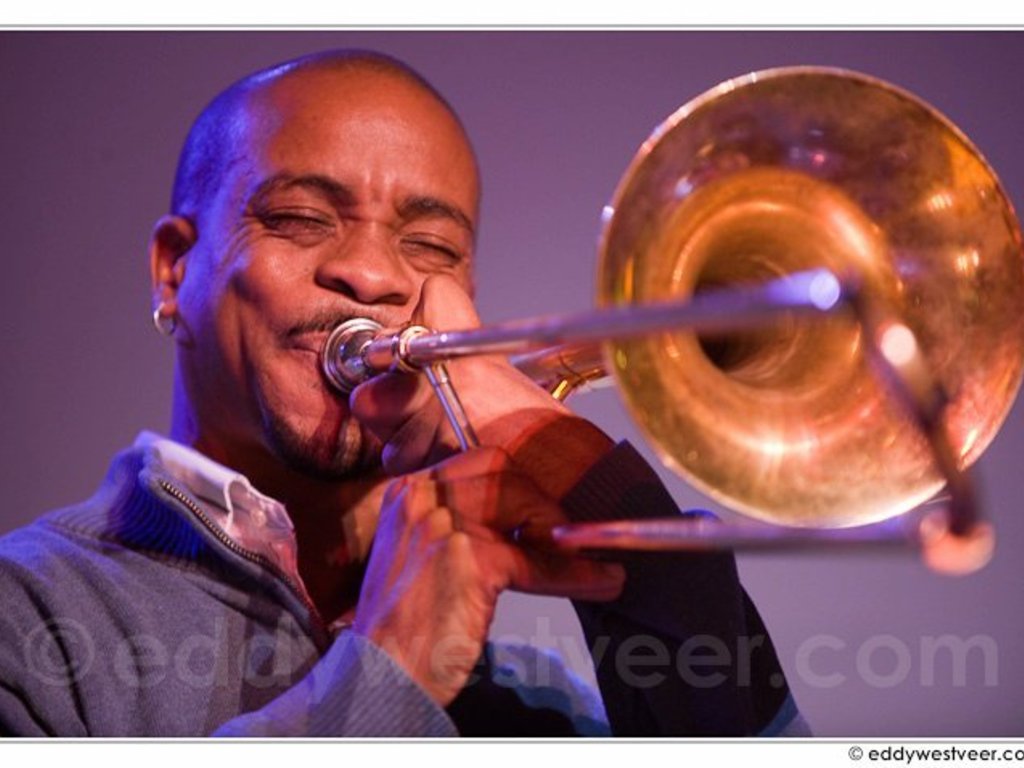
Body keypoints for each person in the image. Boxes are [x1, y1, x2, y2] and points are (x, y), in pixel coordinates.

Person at [0, 49, 808, 737]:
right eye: (300, 218)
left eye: (429, 245)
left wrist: (606, 503)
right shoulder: (27, 614)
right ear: (175, 272)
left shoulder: (542, 707)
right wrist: (394, 669)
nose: (374, 275)